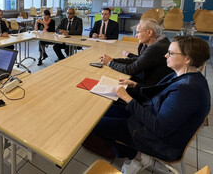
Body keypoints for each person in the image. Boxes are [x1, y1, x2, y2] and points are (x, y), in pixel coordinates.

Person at [85, 36, 210, 174]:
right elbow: (158, 93)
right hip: (151, 117)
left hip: (160, 141)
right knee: (102, 112)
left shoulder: (186, 90)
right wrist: (135, 86)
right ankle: (133, 153)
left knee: (95, 124)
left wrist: (127, 98)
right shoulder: (187, 75)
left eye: (171, 53)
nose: (165, 55)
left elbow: (159, 128)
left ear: (187, 58)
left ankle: (137, 157)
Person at [101, 19, 173, 86]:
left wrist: (109, 63)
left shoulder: (156, 47)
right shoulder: (160, 41)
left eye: (138, 32)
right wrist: (113, 60)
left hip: (149, 87)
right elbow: (138, 60)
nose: (136, 36)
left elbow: (131, 69)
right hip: (149, 79)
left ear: (149, 32)